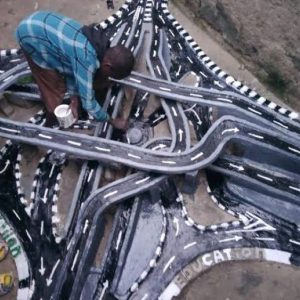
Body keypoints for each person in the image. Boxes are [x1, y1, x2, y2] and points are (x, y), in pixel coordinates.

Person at [15, 11, 134, 129]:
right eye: (112, 76)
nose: (109, 79)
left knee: (66, 72)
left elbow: (72, 68)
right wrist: (112, 121)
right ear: (108, 66)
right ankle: (48, 123)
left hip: (41, 19)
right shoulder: (87, 59)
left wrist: (74, 100)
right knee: (54, 88)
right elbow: (89, 105)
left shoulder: (100, 44)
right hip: (29, 34)